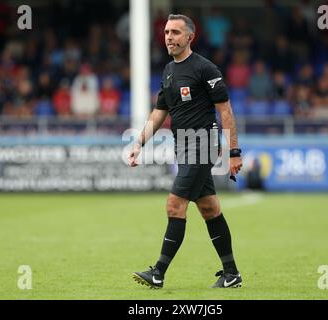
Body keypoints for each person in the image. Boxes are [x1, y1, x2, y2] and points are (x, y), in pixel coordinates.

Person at [128, 14, 243, 289]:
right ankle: (231, 273)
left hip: (202, 144)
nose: (169, 37)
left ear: (189, 37)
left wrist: (234, 151)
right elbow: (159, 112)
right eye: (167, 32)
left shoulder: (205, 69)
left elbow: (225, 110)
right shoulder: (168, 71)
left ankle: (158, 272)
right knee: (208, 207)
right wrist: (138, 143)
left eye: (176, 32)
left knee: (174, 204)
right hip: (184, 147)